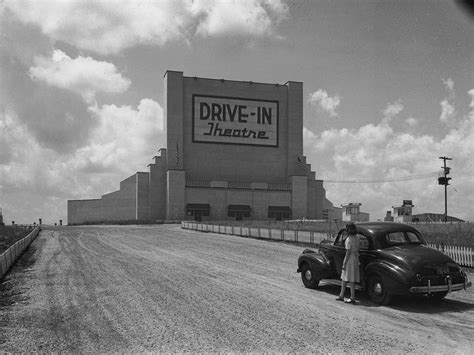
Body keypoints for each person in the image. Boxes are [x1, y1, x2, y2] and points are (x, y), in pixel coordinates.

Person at [336, 223, 360, 304]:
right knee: (345, 278)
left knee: (349, 278)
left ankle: (352, 297)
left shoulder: (349, 239)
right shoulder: (357, 238)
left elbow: (348, 252)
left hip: (350, 259)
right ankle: (341, 295)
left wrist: (344, 263)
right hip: (356, 258)